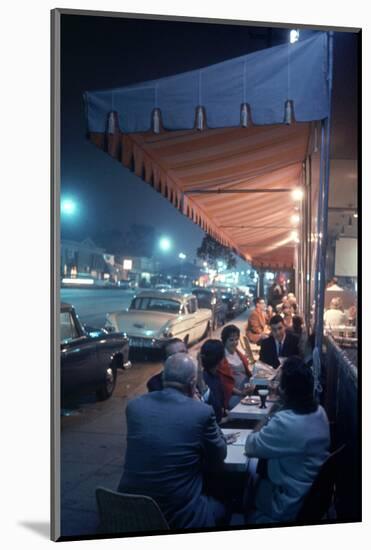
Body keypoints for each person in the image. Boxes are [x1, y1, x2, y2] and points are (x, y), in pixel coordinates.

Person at [118, 352, 229, 529]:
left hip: (130, 510)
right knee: (225, 506)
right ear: (192, 383)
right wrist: (198, 402)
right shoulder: (201, 412)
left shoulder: (134, 407)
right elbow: (220, 452)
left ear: (163, 377)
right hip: (179, 515)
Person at [244, 356, 330, 524]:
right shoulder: (320, 412)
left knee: (247, 478)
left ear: (284, 390)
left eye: (278, 381)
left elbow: (250, 445)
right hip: (310, 496)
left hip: (287, 504)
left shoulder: (284, 423)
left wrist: (271, 412)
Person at [219, 324, 252, 409]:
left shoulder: (238, 352)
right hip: (234, 394)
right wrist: (241, 393)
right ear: (224, 341)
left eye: (236, 339)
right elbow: (225, 384)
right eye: (231, 340)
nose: (235, 343)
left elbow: (247, 372)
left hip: (247, 390)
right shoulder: (222, 359)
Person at [199, 340, 227, 423]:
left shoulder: (212, 375)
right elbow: (216, 414)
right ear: (221, 359)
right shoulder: (209, 380)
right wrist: (226, 419)